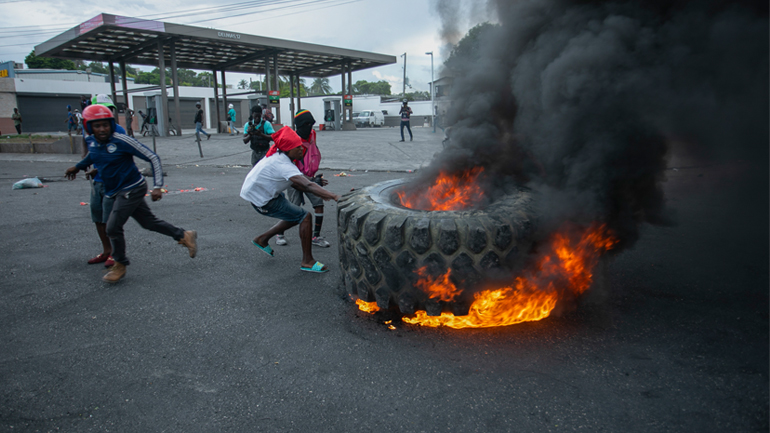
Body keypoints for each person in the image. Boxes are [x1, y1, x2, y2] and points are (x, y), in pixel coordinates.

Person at [65, 104, 197, 283]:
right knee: (148, 222)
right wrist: (78, 167)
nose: (102, 129)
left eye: (105, 124)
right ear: (89, 127)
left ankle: (120, 263)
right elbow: (93, 155)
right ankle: (183, 235)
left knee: (112, 227)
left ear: (111, 124)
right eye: (97, 126)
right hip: (114, 190)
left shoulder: (121, 140)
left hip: (132, 188)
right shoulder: (92, 141)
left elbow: (152, 157)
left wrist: (158, 186)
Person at [240, 127, 340, 273]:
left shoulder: (280, 157)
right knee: (305, 216)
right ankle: (307, 261)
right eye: (297, 147)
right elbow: (305, 184)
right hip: (262, 199)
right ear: (287, 149)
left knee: (295, 216)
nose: (301, 149)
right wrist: (334, 196)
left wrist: (313, 181)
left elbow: (300, 180)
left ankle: (262, 239)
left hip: (265, 193)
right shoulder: (282, 164)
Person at [276, 110, 330, 248]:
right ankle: (279, 233)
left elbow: (312, 153)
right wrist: (311, 180)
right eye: (305, 124)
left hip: (309, 177)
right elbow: (290, 167)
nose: (309, 128)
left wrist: (313, 177)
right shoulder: (292, 141)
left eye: (311, 124)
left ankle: (316, 236)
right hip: (293, 179)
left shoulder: (312, 134)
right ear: (298, 126)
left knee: (319, 204)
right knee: (293, 208)